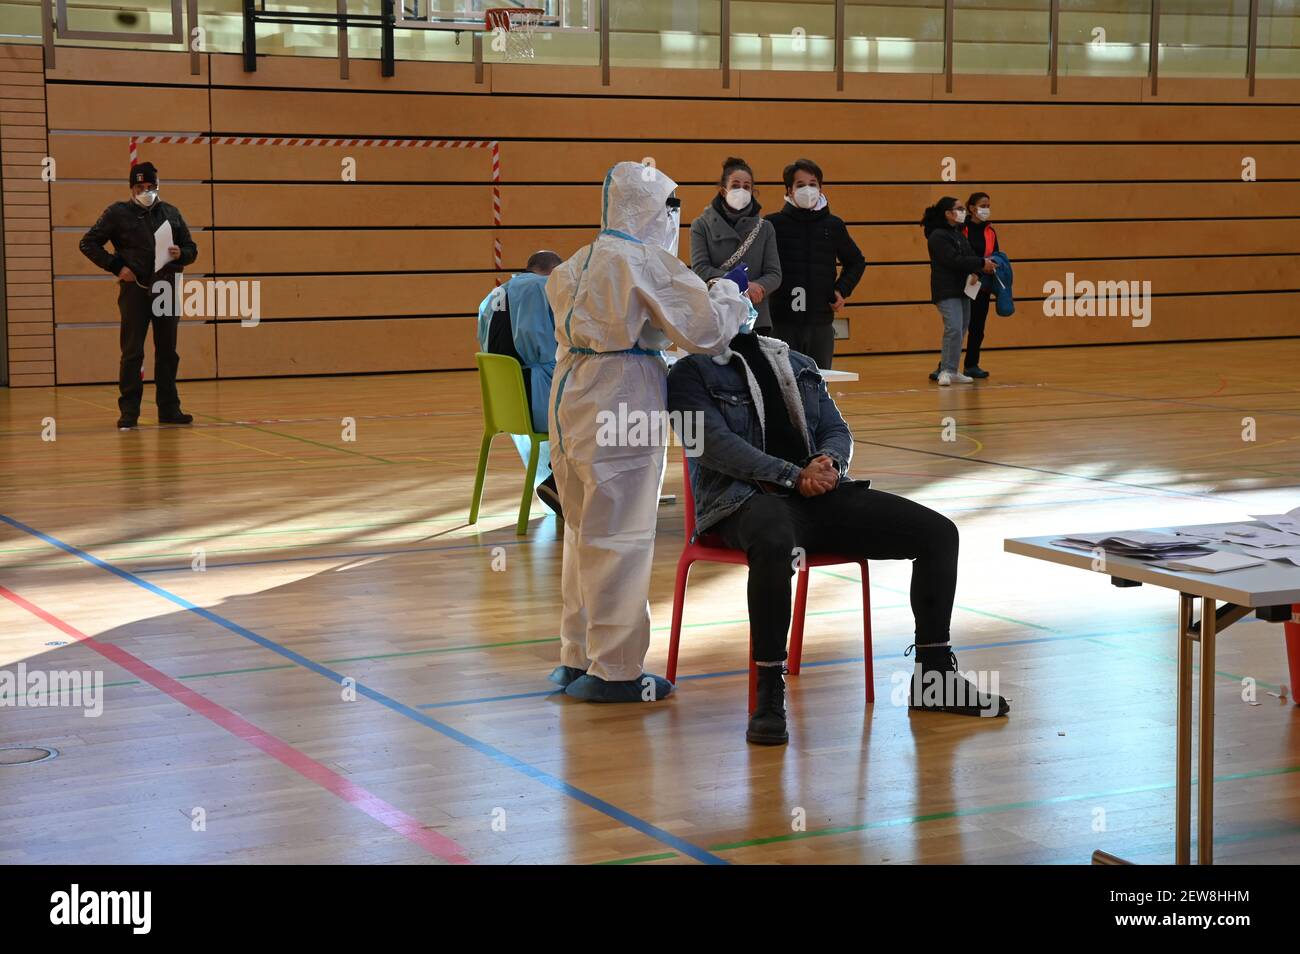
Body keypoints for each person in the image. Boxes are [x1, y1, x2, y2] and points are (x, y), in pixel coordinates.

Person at [667, 324, 1011, 745]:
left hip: (817, 497)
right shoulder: (690, 372)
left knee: (939, 534)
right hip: (746, 502)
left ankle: (934, 677)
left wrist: (829, 463)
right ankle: (768, 693)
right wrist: (793, 476)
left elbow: (837, 429)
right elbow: (710, 444)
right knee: (775, 543)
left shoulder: (798, 362)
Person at [544, 161, 750, 703]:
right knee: (621, 532)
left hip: (571, 394)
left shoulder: (573, 264)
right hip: (622, 394)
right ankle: (614, 670)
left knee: (582, 528)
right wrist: (732, 293)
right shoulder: (645, 262)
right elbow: (705, 329)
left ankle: (576, 655)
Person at [79, 161, 198, 430]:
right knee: (132, 353)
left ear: (158, 186)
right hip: (135, 292)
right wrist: (116, 266)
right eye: (140, 187)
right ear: (131, 188)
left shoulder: (171, 213)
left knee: (168, 352)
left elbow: (191, 247)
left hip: (165, 288)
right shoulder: (117, 213)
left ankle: (169, 409)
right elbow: (88, 242)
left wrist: (184, 253)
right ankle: (129, 413)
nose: (146, 191)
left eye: (151, 187)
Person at [476, 250, 565, 516]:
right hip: (534, 399)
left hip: (505, 405)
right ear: (553, 273)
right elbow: (548, 348)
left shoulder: (496, 294)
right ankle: (560, 483)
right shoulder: (540, 289)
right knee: (602, 416)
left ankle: (564, 485)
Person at [764, 158, 865, 370]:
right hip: (782, 322)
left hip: (821, 322)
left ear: (821, 188)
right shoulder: (773, 224)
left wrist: (841, 289)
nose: (807, 189)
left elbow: (856, 261)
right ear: (789, 190)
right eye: (800, 185)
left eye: (813, 184)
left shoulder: (833, 225)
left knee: (819, 384)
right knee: (784, 384)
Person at [689, 157, 782, 332]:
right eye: (735, 185)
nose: (741, 190)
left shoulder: (765, 228)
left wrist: (760, 287)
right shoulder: (701, 225)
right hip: (716, 316)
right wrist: (742, 285)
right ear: (723, 191)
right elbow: (701, 269)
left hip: (756, 318)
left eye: (747, 187)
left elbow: (774, 273)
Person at [921, 196, 995, 387]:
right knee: (953, 328)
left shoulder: (958, 234)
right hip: (946, 290)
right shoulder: (938, 236)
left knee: (961, 329)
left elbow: (969, 255)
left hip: (963, 289)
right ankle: (945, 370)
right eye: (959, 208)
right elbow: (953, 260)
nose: (963, 212)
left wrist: (977, 270)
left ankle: (953, 370)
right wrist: (980, 263)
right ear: (948, 213)